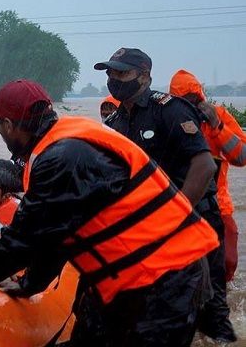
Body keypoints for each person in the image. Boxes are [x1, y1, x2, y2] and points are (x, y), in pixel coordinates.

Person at [0, 79, 219, 347]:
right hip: (127, 273)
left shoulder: (61, 159)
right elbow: (56, 236)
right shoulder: (66, 141)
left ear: (8, 125)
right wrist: (30, 284)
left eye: (1, 126)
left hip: (166, 278)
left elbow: (24, 238)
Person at [97, 49, 236, 342]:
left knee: (211, 310)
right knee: (157, 305)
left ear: (145, 77)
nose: (114, 80)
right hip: (148, 227)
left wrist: (172, 218)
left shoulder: (170, 110)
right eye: (110, 74)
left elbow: (204, 166)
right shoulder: (113, 124)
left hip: (194, 216)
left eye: (121, 73)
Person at [170, 69, 246, 282]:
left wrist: (217, 127)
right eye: (184, 102)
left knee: (227, 263)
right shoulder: (168, 120)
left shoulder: (218, 116)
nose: (190, 106)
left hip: (218, 206)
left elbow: (241, 157)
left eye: (193, 100)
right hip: (181, 204)